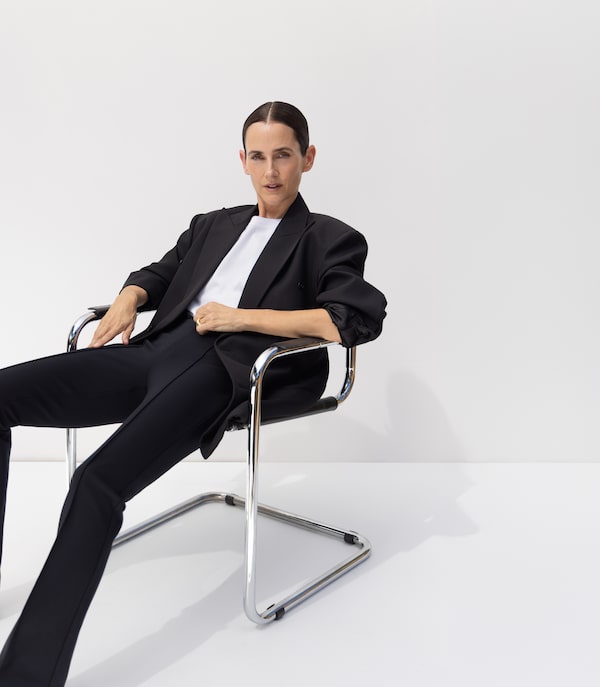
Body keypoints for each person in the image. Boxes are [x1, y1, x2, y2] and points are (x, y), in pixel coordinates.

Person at [0, 101, 387, 686]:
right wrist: (131, 296)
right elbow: (162, 272)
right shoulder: (213, 224)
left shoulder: (328, 237)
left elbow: (349, 319)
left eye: (284, 155)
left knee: (97, 482)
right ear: (243, 160)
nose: (271, 171)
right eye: (258, 156)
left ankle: (26, 675)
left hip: (224, 369)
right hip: (153, 351)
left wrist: (240, 318)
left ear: (307, 158)